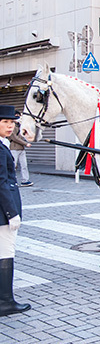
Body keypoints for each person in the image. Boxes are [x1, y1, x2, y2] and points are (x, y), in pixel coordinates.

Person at [0, 105, 31, 316]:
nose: (10, 126)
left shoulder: (3, 145)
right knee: (6, 253)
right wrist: (12, 214)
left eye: (12, 122)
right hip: (3, 213)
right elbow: (2, 183)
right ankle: (6, 301)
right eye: (5, 122)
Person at [8, 112, 32, 187]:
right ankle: (12, 181)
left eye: (19, 116)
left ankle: (25, 180)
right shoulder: (11, 126)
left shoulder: (21, 126)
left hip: (21, 149)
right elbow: (14, 138)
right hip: (14, 148)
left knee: (24, 165)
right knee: (13, 166)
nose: (18, 117)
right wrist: (25, 144)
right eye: (16, 116)